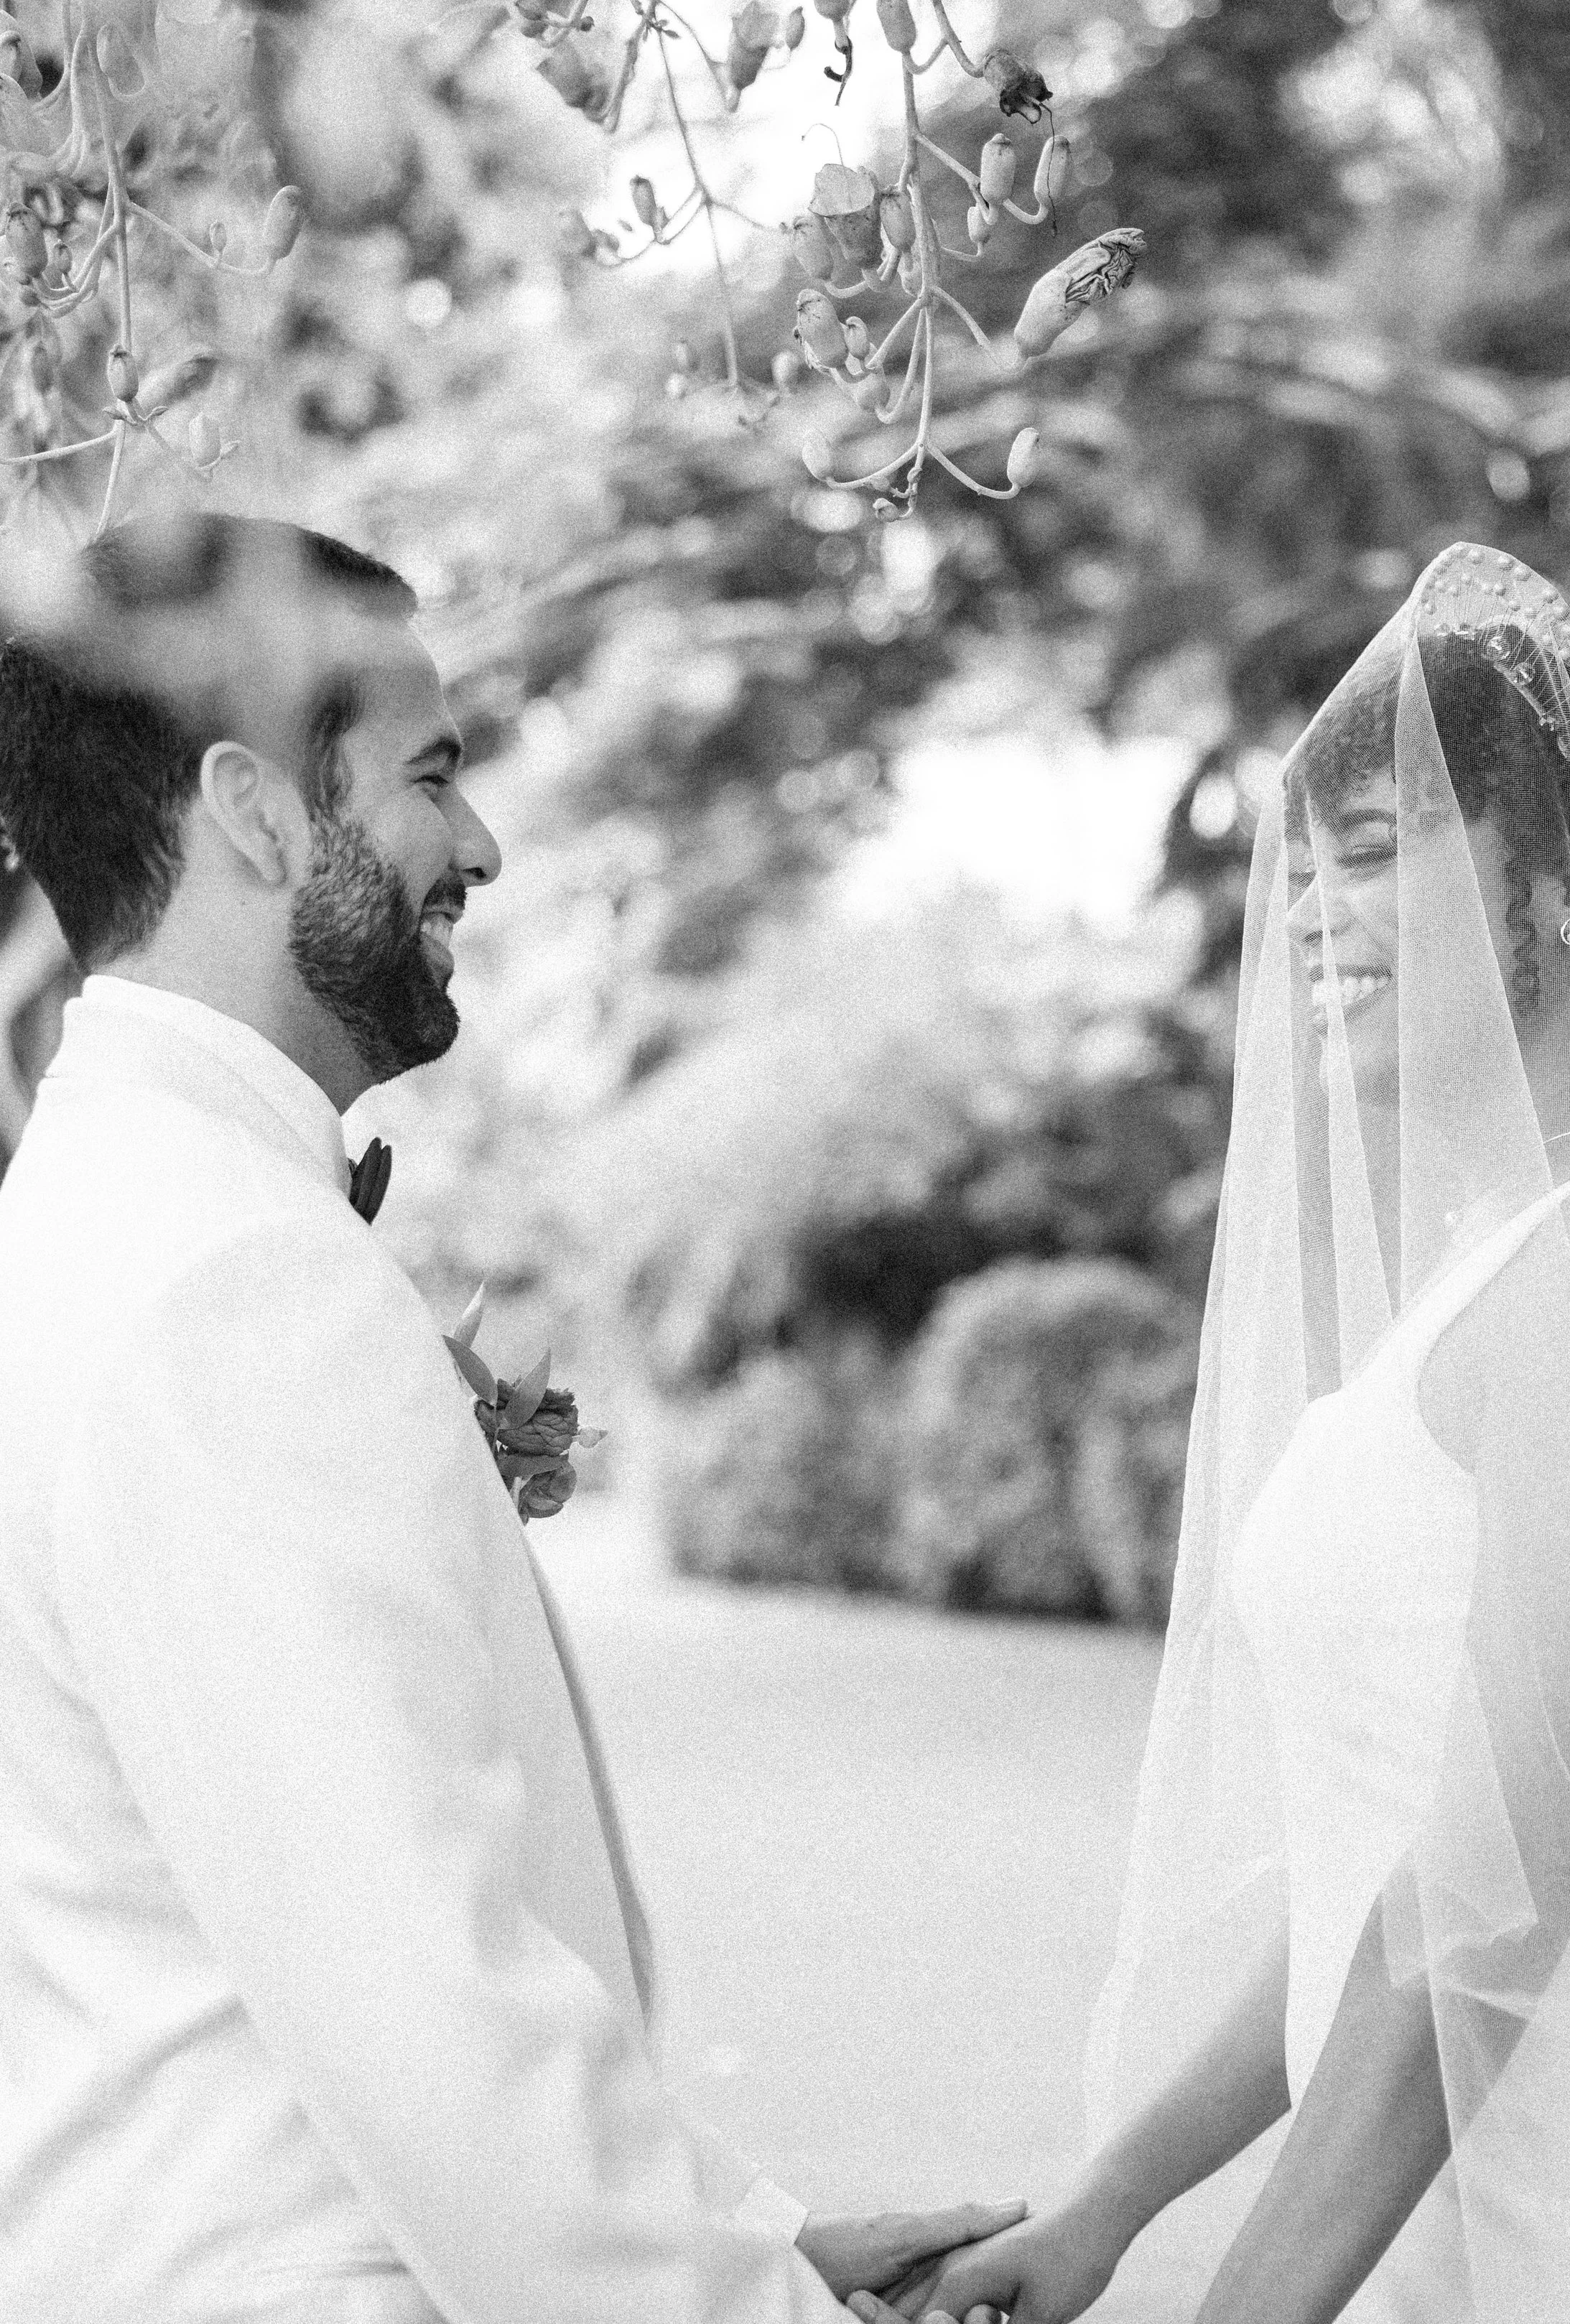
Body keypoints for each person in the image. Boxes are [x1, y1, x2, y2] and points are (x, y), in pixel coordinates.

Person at [0, 512, 1020, 2324]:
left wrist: (754, 2241)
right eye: (431, 776)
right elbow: (424, 1999)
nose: (478, 845)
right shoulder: (229, 1282)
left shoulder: (86, 1211)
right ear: (256, 813)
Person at [919, 544, 1570, 2323]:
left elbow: (1485, 1915)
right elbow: (1380, 1869)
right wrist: (1106, 2206)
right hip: (1434, 2186)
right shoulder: (1509, 1262)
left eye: (1376, 849)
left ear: (1567, 886)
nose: (1309, 910)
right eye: (1307, 859)